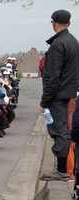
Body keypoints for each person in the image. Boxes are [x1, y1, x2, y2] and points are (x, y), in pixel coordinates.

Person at [39, 9, 79, 182]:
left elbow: (53, 77)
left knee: (59, 130)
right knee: (64, 129)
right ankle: (63, 169)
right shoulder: (73, 42)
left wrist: (44, 101)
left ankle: (62, 170)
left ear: (53, 23)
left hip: (57, 94)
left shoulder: (58, 45)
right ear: (69, 23)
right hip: (69, 93)